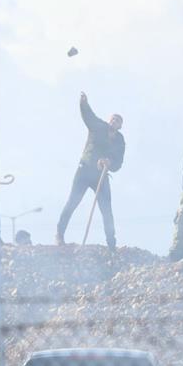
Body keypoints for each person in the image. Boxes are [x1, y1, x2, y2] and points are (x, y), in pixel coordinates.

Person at [56, 92, 125, 249]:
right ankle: (59, 235)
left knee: (106, 209)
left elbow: (119, 162)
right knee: (72, 202)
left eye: (118, 120)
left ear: (120, 126)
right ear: (109, 120)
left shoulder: (120, 140)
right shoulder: (98, 126)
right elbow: (88, 115)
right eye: (113, 118)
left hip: (101, 175)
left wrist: (110, 162)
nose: (114, 121)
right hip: (85, 171)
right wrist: (84, 103)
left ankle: (111, 244)